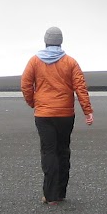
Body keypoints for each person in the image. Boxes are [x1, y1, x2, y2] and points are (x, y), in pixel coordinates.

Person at [20, 26, 94, 204]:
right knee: (63, 151)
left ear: (46, 41)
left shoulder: (34, 61)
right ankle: (60, 193)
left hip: (44, 114)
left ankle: (51, 195)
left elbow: (25, 85)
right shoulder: (70, 62)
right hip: (65, 114)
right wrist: (88, 111)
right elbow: (80, 88)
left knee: (49, 152)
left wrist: (34, 103)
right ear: (60, 42)